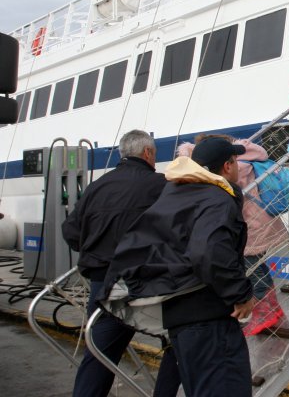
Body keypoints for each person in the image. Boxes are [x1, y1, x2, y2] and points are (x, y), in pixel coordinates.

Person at [102, 136, 256, 397]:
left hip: (180, 316)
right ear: (228, 166)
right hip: (208, 318)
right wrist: (241, 294)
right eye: (236, 161)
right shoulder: (217, 198)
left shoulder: (177, 193)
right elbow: (209, 252)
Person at [62, 129, 180, 397]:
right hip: (147, 283)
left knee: (99, 355)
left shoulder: (97, 187)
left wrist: (96, 249)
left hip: (103, 285)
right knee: (181, 338)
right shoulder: (161, 186)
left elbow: (70, 231)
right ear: (148, 153)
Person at [176, 136, 287, 336]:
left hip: (252, 227)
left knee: (251, 268)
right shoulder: (248, 161)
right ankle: (271, 308)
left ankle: (267, 311)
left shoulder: (239, 168)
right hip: (255, 224)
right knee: (255, 266)